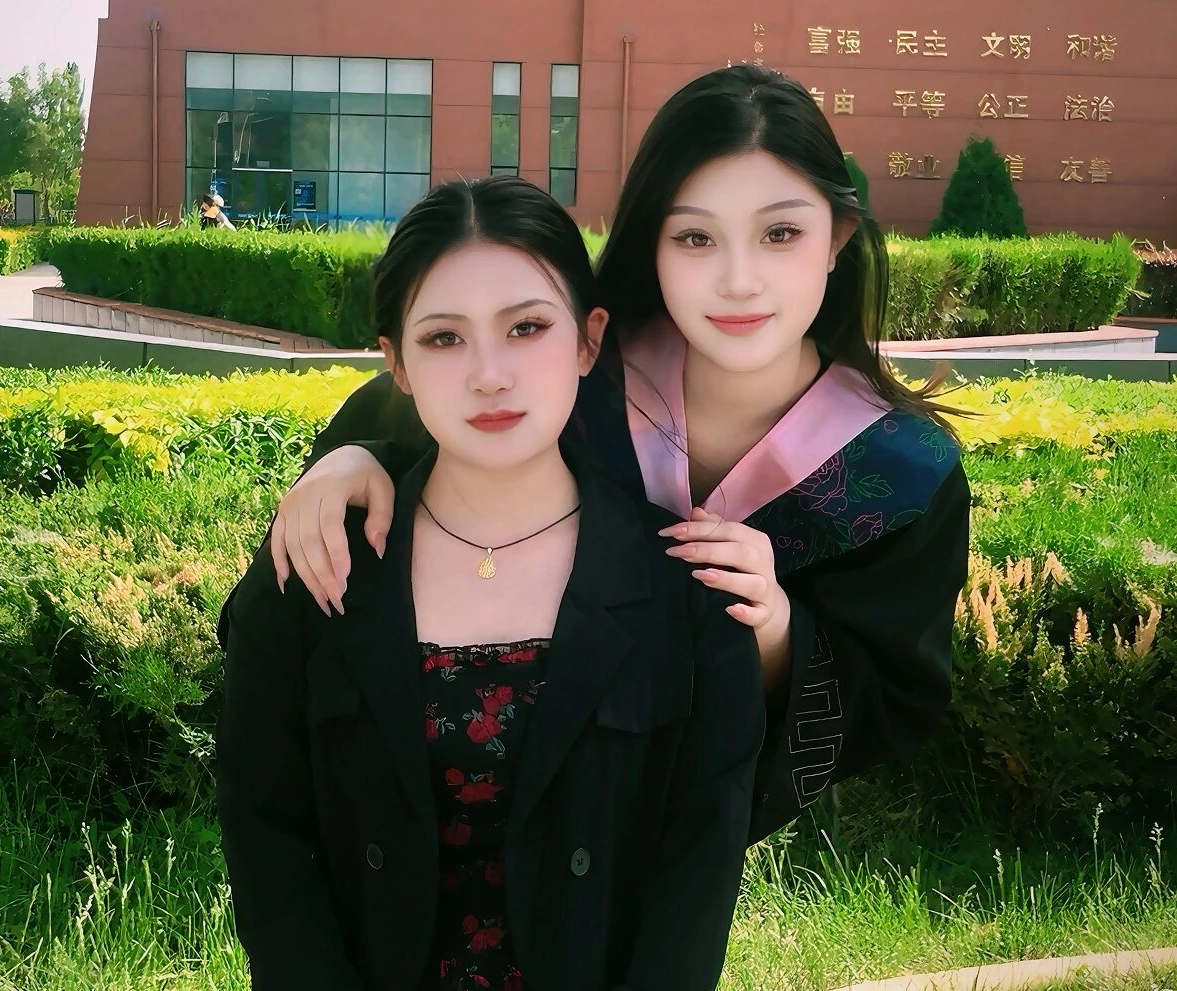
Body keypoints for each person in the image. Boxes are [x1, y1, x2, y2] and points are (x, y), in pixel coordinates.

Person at [264, 64, 971, 842]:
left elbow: (893, 701)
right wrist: (352, 457)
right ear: (652, 242)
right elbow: (423, 405)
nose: (739, 281)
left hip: (676, 849)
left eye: (781, 234)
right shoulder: (579, 373)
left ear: (837, 236)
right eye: (695, 236)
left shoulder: (902, 472)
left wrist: (776, 634)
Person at [216, 176, 765, 991]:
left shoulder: (687, 593)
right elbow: (265, 837)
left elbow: (696, 876)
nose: (489, 374)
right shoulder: (319, 570)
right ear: (396, 363)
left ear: (587, 340)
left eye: (527, 327)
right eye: (444, 338)